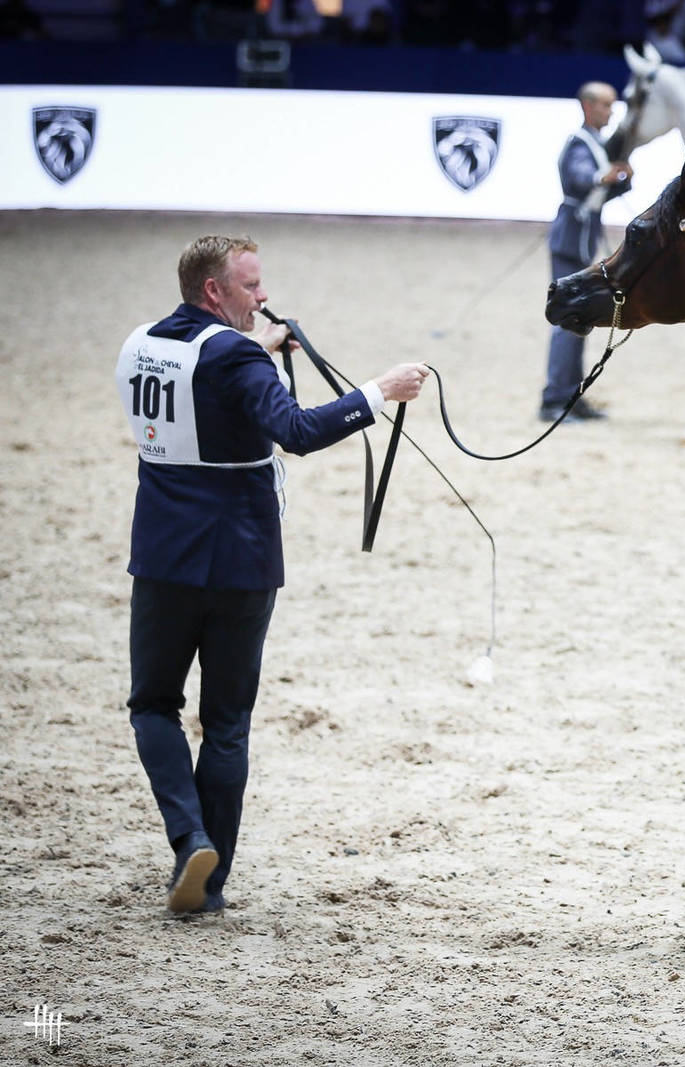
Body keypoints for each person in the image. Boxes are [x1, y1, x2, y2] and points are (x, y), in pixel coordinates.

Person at [117, 235, 429, 914]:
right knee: (227, 722)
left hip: (164, 556)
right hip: (241, 560)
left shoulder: (142, 344)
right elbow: (296, 430)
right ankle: (210, 882)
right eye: (251, 286)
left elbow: (207, 384)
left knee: (152, 706)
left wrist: (258, 348)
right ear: (214, 291)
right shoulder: (235, 355)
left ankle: (189, 838)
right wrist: (380, 391)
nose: (263, 297)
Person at [541, 82, 633, 421]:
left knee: (579, 319)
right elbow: (579, 178)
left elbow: (598, 191)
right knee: (567, 320)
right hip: (571, 238)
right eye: (606, 105)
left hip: (582, 237)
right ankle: (554, 398)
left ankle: (570, 395)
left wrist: (621, 180)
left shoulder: (595, 143)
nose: (610, 112)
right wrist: (604, 176)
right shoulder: (579, 143)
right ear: (588, 106)